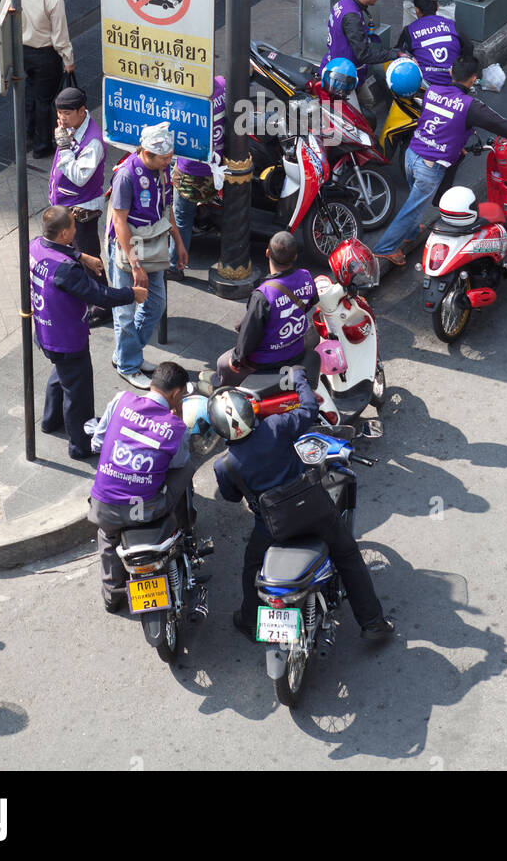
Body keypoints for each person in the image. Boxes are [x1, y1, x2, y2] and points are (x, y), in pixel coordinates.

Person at [212, 378, 394, 642]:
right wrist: (299, 380)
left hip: (272, 527)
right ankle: (372, 622)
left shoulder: (224, 465)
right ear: (250, 413)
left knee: (252, 566)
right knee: (347, 555)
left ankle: (251, 621)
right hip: (315, 512)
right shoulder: (276, 426)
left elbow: (230, 496)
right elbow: (309, 410)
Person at [373, 54, 507, 264]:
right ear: (473, 79)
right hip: (429, 166)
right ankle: (386, 247)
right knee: (414, 205)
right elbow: (500, 124)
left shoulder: (432, 90)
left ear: (451, 72)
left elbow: (438, 121)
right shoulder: (470, 105)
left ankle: (412, 231)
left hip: (410, 155)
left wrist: (455, 145)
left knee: (416, 201)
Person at [29, 206, 148, 459]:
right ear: (63, 234)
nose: (76, 229)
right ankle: (80, 444)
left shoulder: (35, 246)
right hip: (67, 338)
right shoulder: (66, 271)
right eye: (73, 226)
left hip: (45, 331)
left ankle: (50, 420)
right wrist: (131, 294)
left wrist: (82, 256)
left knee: (62, 375)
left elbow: (61, 253)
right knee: (79, 393)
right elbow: (98, 294)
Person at [88, 360, 195, 613]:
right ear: (177, 394)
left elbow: (98, 442)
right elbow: (177, 463)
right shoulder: (175, 427)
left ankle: (112, 597)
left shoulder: (120, 401)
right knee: (188, 466)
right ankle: (185, 528)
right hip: (145, 511)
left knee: (107, 536)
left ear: (151, 383)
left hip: (105, 508)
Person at [106, 122, 188, 388]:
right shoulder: (127, 176)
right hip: (128, 249)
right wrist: (135, 263)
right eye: (164, 158)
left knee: (155, 305)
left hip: (154, 244)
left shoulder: (163, 172)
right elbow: (119, 221)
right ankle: (128, 365)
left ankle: (126, 354)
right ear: (147, 153)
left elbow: (168, 209)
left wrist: (179, 242)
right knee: (125, 312)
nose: (168, 162)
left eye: (169, 157)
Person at [0, 0, 74, 158]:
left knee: (25, 95)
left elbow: (1, 23)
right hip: (45, 55)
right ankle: (42, 146)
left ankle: (26, 135)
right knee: (44, 100)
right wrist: (68, 59)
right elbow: (60, 35)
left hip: (18, 52)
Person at [216, 231, 319, 388]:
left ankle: (224, 394)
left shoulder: (263, 295)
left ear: (267, 253)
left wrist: (236, 359)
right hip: (296, 350)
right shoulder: (306, 277)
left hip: (266, 361)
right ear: (295, 256)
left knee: (223, 362)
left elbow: (249, 336)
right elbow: (311, 301)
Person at [49, 84, 107, 324]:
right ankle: (83, 294)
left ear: (82, 111)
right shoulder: (71, 129)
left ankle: (103, 305)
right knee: (72, 255)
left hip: (82, 210)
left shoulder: (93, 142)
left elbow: (80, 177)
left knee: (89, 258)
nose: (62, 118)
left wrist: (63, 147)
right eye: (59, 113)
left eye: (67, 113)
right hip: (66, 205)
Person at [169, 75, 226, 273]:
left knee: (181, 219)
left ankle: (174, 266)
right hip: (215, 170)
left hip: (191, 174)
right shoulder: (221, 86)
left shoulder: (183, 104)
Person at [320, 0, 393, 111]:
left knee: (368, 101)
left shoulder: (344, 3)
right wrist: (392, 54)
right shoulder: (352, 17)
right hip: (342, 78)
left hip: (340, 66)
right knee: (355, 118)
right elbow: (363, 54)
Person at [397, 0, 467, 87]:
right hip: (454, 82)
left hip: (425, 86)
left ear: (416, 10)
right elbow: (469, 47)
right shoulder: (452, 25)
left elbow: (399, 53)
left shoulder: (409, 30)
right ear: (437, 6)